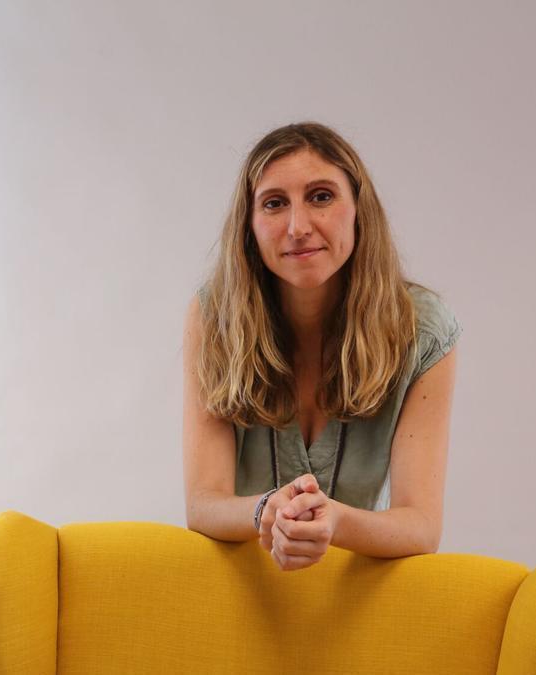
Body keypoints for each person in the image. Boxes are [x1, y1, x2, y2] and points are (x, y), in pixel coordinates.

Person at [182, 122, 460, 571]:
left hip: (355, 596)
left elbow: (422, 525)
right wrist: (266, 511)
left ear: (358, 209)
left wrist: (335, 521)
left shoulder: (424, 330)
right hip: (242, 591)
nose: (298, 227)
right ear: (250, 226)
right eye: (274, 203)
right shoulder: (215, 316)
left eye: (321, 197)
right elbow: (203, 504)